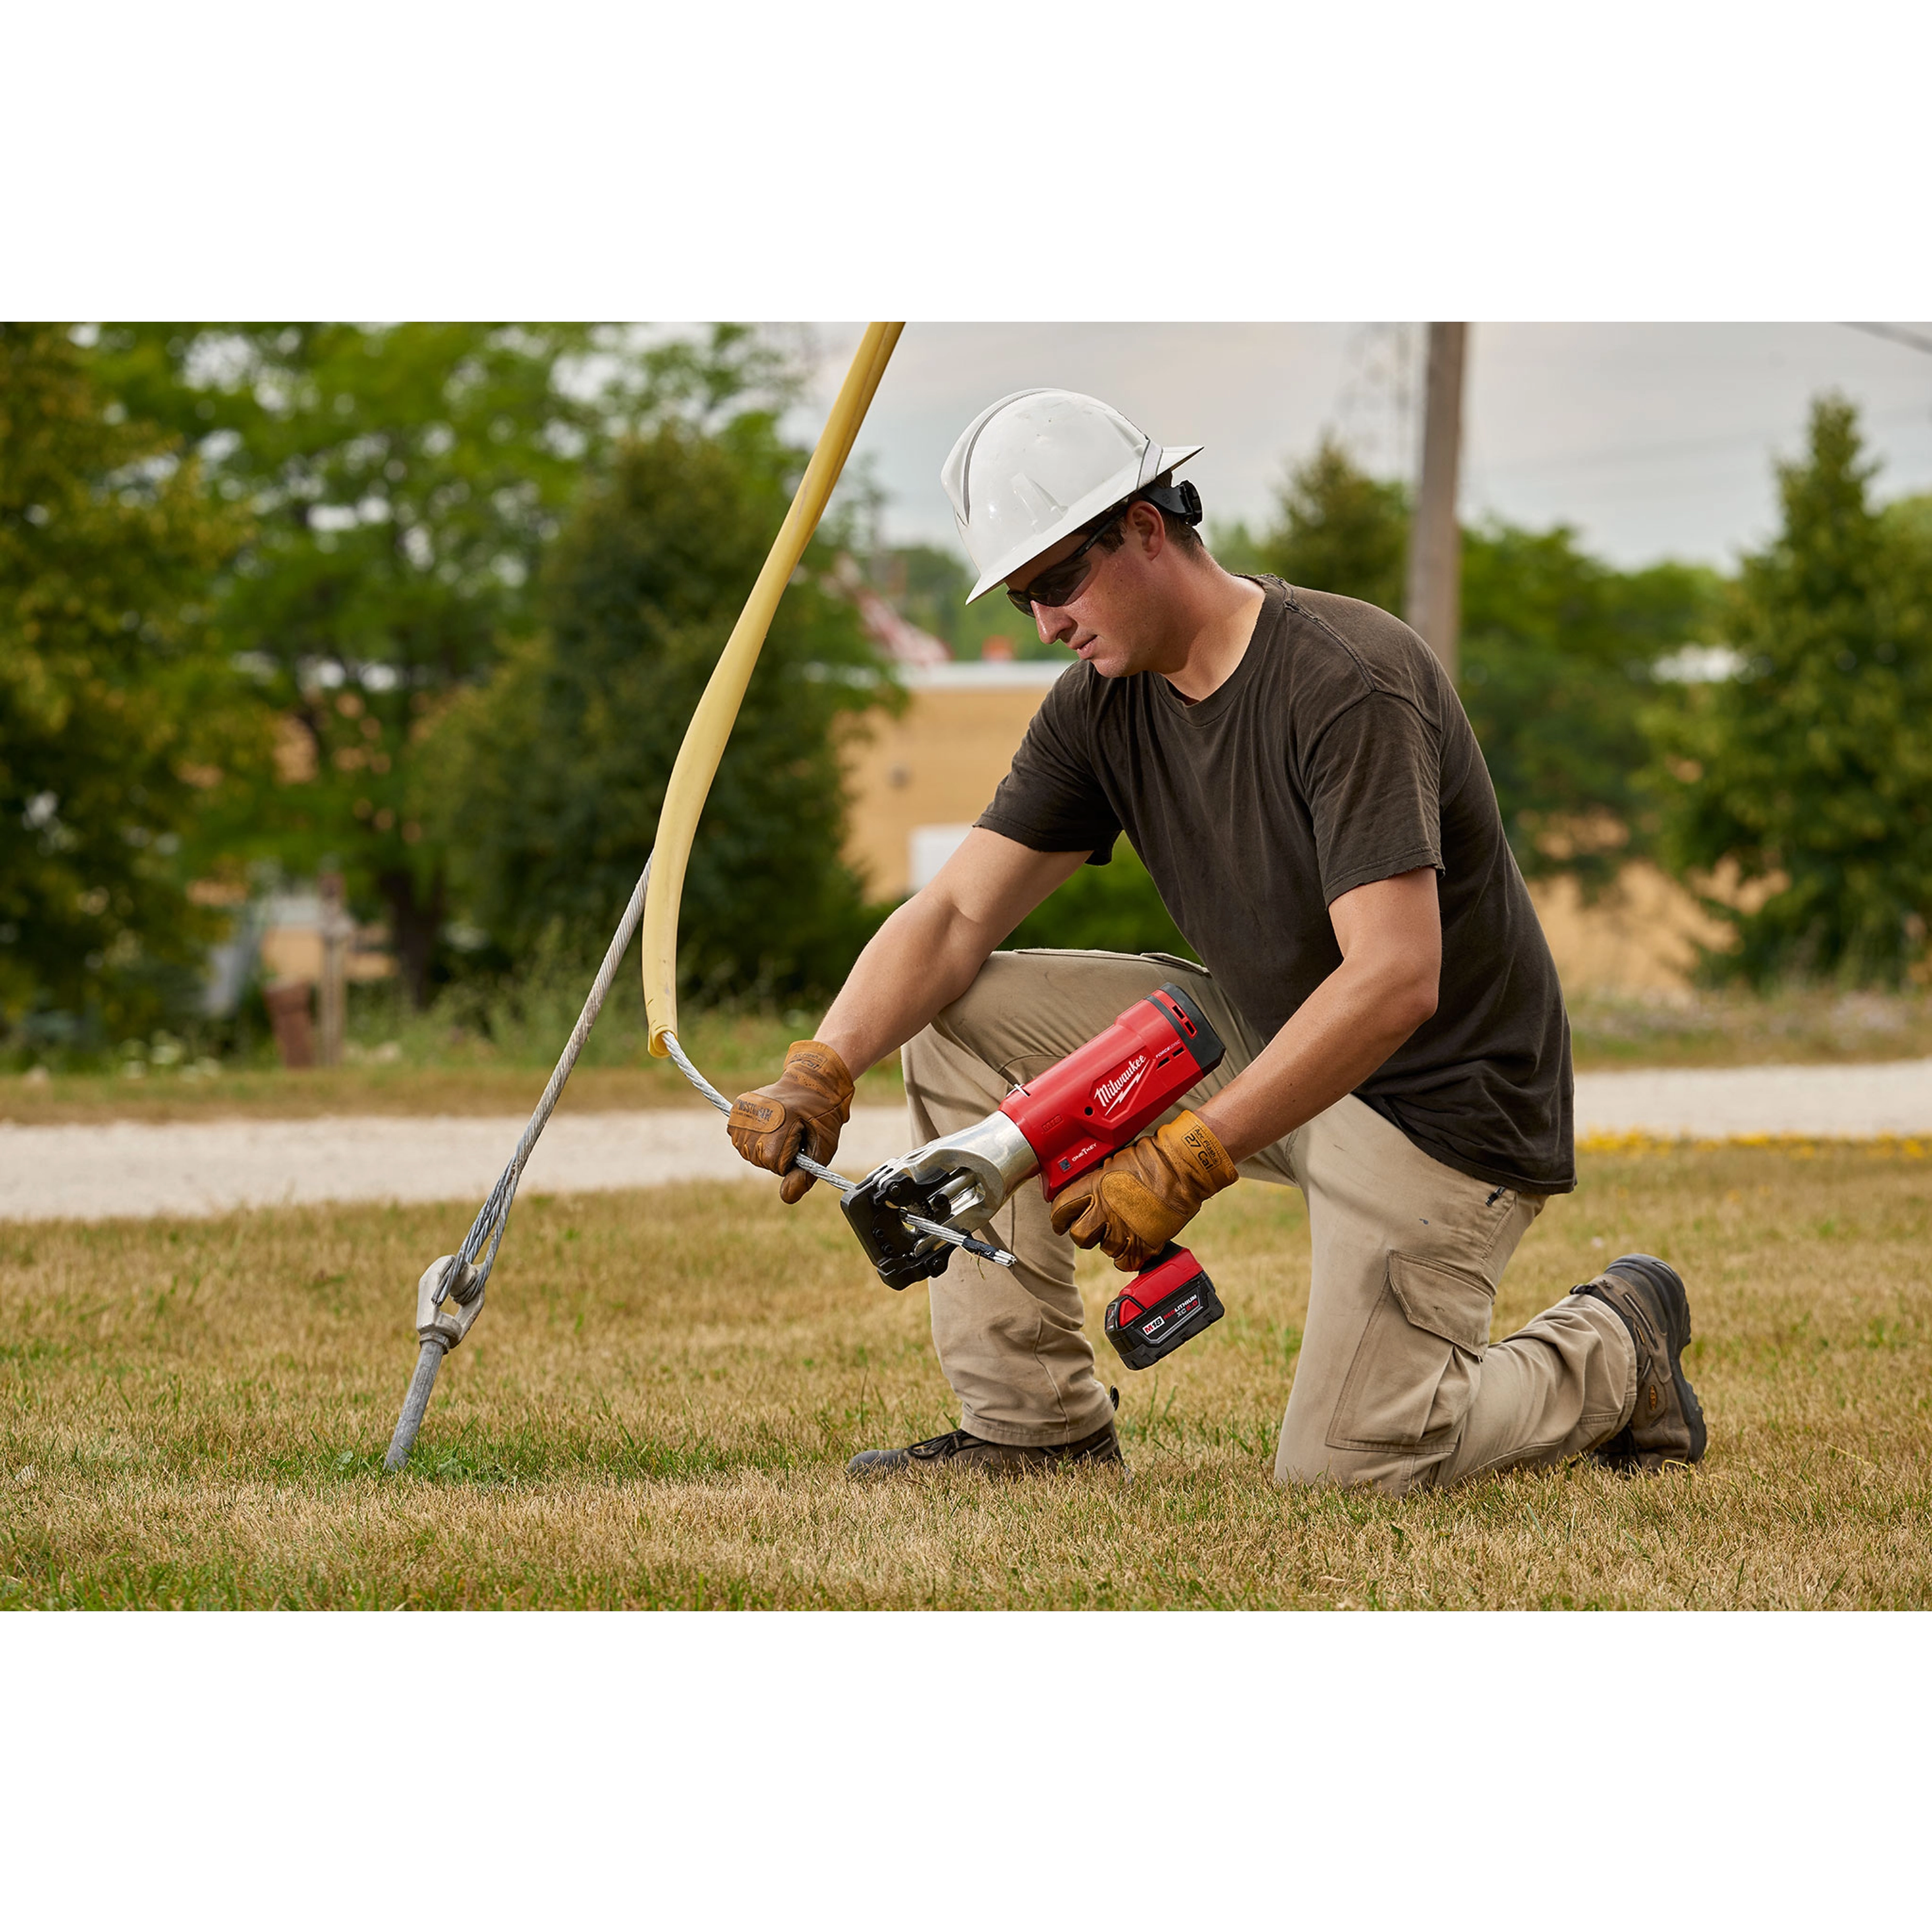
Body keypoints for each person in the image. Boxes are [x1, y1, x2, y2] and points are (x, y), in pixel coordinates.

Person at [728, 388, 1705, 1493]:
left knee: (1351, 1471)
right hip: (1264, 1029)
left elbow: (1393, 979)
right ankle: (1031, 1430)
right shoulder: (1100, 701)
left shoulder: (1344, 677)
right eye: (1023, 595)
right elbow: (953, 916)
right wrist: (824, 1061)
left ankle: (1613, 1345)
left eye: (1056, 581)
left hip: (1440, 1103)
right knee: (959, 1018)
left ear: (1145, 528)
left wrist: (1192, 1150)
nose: (1044, 621)